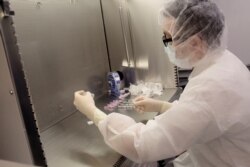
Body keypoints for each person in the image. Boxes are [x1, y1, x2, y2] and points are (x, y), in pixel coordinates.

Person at [73, 0, 250, 166]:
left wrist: (91, 111)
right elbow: (202, 116)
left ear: (195, 42)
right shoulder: (224, 61)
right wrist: (162, 105)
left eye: (168, 37)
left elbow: (140, 144)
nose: (165, 43)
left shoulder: (212, 87)